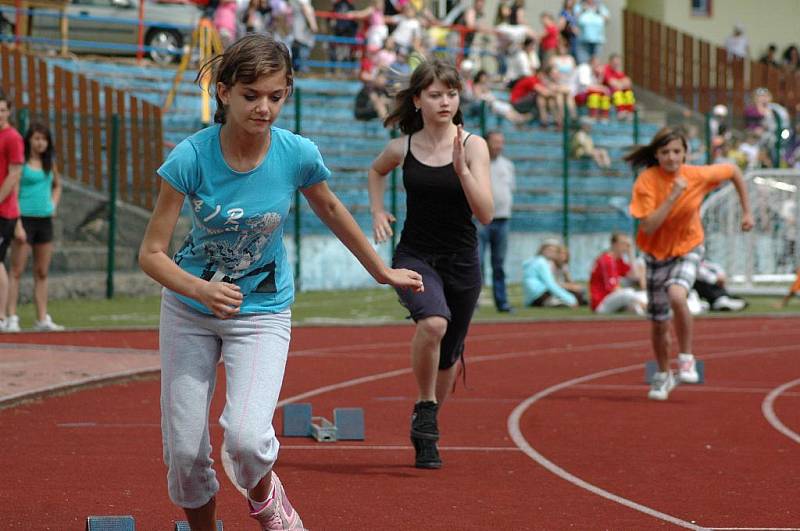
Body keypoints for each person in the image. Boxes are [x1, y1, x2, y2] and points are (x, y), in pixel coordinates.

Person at [138, 34, 424, 530]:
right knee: (184, 454)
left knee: (247, 441)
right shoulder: (189, 158)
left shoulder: (296, 153)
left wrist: (380, 269)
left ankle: (270, 501)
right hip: (190, 310)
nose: (264, 108)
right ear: (224, 93)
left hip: (262, 312)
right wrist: (199, 289)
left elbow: (330, 208)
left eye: (276, 96)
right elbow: (151, 254)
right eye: (251, 96)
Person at [367, 59, 492, 469]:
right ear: (417, 99)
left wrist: (461, 171)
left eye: (452, 94)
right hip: (415, 255)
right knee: (433, 323)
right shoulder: (402, 147)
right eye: (435, 95)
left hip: (462, 260)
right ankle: (424, 408)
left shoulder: (473, 145)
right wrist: (378, 210)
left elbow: (486, 213)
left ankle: (429, 421)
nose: (445, 102)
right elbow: (376, 170)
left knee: (450, 354)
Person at [627, 126, 753, 401]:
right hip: (655, 254)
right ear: (657, 155)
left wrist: (746, 211)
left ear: (685, 153)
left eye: (677, 152)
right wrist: (673, 196)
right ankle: (662, 374)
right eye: (665, 152)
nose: (672, 158)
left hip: (689, 246)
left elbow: (732, 171)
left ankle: (686, 357)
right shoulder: (647, 182)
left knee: (677, 293)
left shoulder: (697, 175)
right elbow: (648, 226)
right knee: (659, 323)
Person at [6, 123, 64, 332]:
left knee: (42, 271)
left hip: (44, 220)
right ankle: (11, 315)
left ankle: (42, 317)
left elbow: (57, 185)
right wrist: (17, 224)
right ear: (29, 139)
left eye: (44, 139)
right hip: (24, 219)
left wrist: (53, 204)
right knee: (17, 269)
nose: (40, 143)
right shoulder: (22, 164)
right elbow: (14, 190)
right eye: (36, 138)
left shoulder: (50, 163)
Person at [478, 130, 515, 313]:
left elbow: (510, 188)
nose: (499, 145)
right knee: (476, 263)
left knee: (499, 264)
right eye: (495, 142)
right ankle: (473, 302)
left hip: (502, 220)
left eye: (501, 142)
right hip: (479, 220)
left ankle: (502, 302)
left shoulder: (507, 165)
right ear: (486, 143)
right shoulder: (477, 163)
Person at [0, 94, 24, 332]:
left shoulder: (13, 138)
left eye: (2, 110)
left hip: (4, 211)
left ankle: (4, 316)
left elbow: (14, 174)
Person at [589, 232, 647, 315]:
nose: (626, 247)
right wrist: (634, 298)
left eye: (628, 245)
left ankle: (641, 310)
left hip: (613, 299)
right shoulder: (606, 260)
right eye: (624, 243)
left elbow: (636, 276)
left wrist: (630, 254)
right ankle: (643, 309)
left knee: (643, 295)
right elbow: (613, 289)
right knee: (628, 292)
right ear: (615, 244)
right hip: (601, 304)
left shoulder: (619, 260)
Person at [522, 239, 578, 307]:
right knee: (573, 296)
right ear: (542, 250)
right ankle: (555, 302)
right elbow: (550, 284)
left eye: (554, 251)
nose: (551, 253)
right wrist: (571, 299)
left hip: (533, 297)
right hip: (540, 295)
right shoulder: (541, 262)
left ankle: (555, 301)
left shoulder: (535, 261)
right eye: (549, 250)